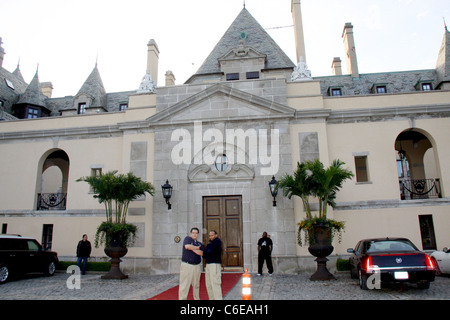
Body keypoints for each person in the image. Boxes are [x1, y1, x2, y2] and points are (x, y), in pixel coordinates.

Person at [179, 227, 203, 300]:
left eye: (196, 233)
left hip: (197, 266)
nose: (195, 234)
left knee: (196, 285)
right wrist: (196, 248)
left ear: (198, 234)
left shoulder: (199, 243)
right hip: (187, 265)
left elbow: (201, 253)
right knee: (184, 285)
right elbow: (187, 247)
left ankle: (196, 299)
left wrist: (192, 248)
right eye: (193, 233)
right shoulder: (187, 239)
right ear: (190, 233)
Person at [203, 230, 223, 300]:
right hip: (208, 264)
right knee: (208, 284)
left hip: (214, 264)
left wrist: (205, 250)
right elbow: (205, 255)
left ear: (216, 235)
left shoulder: (217, 241)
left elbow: (209, 251)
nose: (210, 237)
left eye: (212, 235)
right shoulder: (210, 243)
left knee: (215, 284)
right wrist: (205, 251)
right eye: (209, 235)